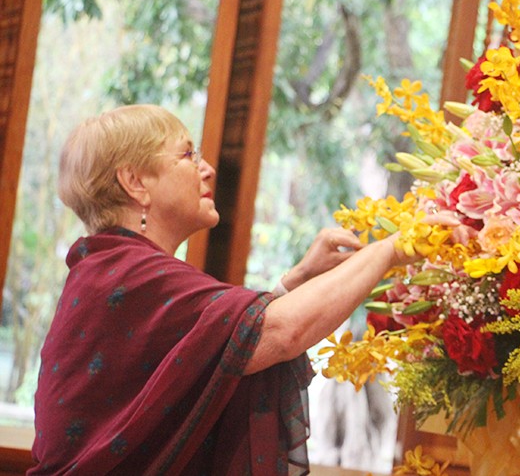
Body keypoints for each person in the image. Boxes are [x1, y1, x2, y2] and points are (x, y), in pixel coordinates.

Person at [29, 104, 436, 475]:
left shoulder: (114, 268)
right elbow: (279, 332)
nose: (207, 169)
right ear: (135, 182)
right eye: (188, 155)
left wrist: (297, 279)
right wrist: (391, 249)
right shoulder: (129, 275)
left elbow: (216, 348)